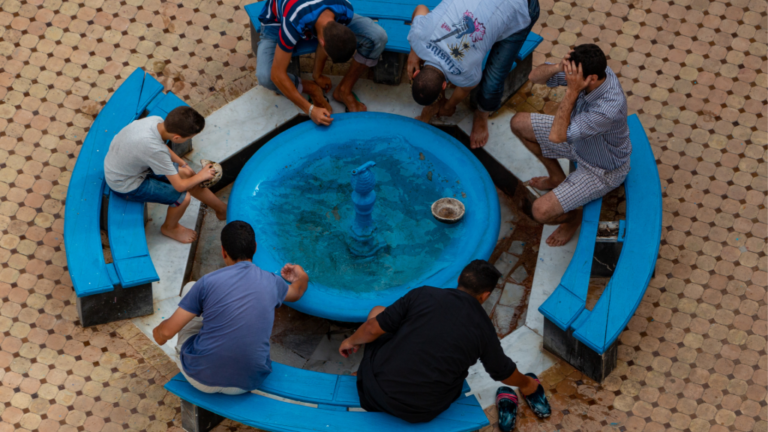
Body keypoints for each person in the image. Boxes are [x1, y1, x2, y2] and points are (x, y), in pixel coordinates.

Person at [339, 260, 551, 426]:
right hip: (422, 410)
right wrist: (527, 384)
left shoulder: (423, 294)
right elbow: (501, 371)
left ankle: (364, 372)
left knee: (377, 313)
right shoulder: (484, 329)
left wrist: (350, 341)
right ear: (485, 295)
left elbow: (371, 329)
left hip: (372, 392)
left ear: (459, 278)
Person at [152, 221, 309, 394]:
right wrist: (301, 275)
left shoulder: (207, 282)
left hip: (200, 378)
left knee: (191, 287)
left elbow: (165, 334)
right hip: (249, 381)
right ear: (255, 248)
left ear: (223, 251)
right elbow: (297, 292)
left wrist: (157, 332)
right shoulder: (273, 282)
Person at [510, 44, 631, 247]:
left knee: (540, 211)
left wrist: (572, 91)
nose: (568, 78)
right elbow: (534, 77)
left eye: (572, 75)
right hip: (578, 143)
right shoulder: (591, 71)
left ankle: (573, 218)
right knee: (518, 123)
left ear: (591, 79)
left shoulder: (608, 107)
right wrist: (558, 67)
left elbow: (558, 136)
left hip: (600, 169)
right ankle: (556, 177)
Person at [407, 0, 539, 148]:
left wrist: (449, 106)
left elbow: (468, 86)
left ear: (445, 85)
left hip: (521, 6)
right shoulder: (418, 35)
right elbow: (420, 8)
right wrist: (414, 50)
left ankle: (482, 114)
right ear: (417, 72)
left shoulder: (465, 71)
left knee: (493, 79)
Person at [104, 106, 226, 244]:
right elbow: (179, 187)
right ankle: (170, 227)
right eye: (189, 138)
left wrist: (182, 164)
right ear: (177, 138)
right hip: (125, 183)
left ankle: (221, 209)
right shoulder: (154, 150)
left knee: (186, 173)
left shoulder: (156, 121)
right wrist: (201, 176)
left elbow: (162, 146)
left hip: (129, 164)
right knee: (183, 198)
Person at [256, 0, 388, 125]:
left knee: (378, 37)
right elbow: (276, 74)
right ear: (322, 43)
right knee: (265, 76)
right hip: (279, 22)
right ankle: (311, 88)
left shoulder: (344, 7)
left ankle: (344, 90)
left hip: (312, 17)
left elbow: (328, 35)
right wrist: (310, 110)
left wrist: (317, 74)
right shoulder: (293, 20)